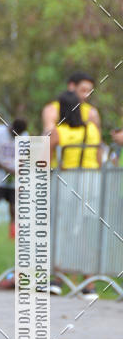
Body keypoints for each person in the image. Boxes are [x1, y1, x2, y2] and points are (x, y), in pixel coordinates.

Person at [49, 91, 102, 300]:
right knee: (87, 232)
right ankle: (89, 285)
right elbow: (99, 157)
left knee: (64, 229)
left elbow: (46, 155)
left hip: (68, 182)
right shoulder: (92, 130)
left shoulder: (59, 131)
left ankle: (57, 280)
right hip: (92, 183)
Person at [0, 118, 28, 240]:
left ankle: (13, 236)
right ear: (11, 127)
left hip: (13, 180)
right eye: (14, 133)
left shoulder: (24, 137)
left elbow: (24, 158)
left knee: (14, 208)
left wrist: (18, 170)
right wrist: (7, 169)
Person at [42, 71, 100, 136]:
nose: (86, 95)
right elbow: (48, 135)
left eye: (89, 92)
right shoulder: (52, 109)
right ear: (71, 86)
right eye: (83, 90)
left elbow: (97, 139)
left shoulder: (91, 112)